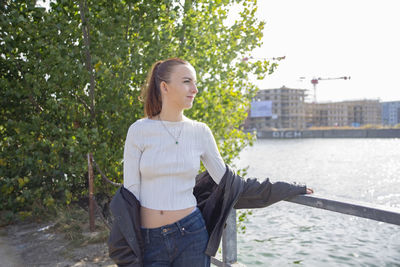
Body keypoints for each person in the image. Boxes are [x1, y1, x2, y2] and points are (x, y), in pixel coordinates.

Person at [110, 57, 314, 267]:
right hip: (149, 240)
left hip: (192, 235)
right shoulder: (139, 131)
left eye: (195, 83)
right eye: (187, 81)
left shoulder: (200, 132)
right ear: (164, 87)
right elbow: (130, 195)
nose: (195, 89)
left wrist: (288, 188)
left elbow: (231, 183)